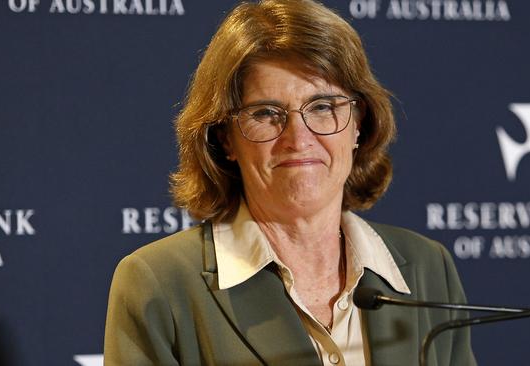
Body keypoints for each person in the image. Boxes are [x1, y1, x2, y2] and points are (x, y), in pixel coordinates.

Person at [104, 0, 476, 365]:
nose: (298, 139)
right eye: (266, 113)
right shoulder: (159, 285)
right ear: (225, 138)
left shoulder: (428, 267)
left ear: (358, 124)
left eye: (323, 107)